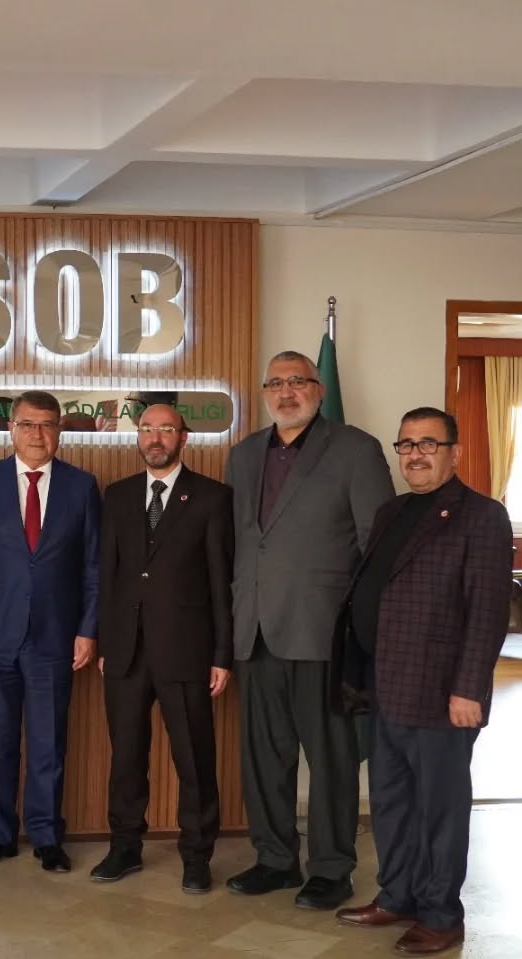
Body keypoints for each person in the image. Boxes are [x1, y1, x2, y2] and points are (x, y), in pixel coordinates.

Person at [334, 408, 511, 956]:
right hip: (385, 684)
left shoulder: (482, 516)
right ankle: (399, 895)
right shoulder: (392, 511)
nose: (415, 454)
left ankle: (440, 914)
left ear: (454, 452)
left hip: (441, 694)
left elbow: (487, 611)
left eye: (428, 443)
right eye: (406, 444)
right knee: (391, 801)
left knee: (439, 809)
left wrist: (469, 689)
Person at [224, 350, 393, 910]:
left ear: (318, 390)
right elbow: (243, 543)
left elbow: (377, 545)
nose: (286, 391)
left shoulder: (355, 449)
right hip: (254, 630)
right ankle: (274, 859)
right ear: (264, 392)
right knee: (264, 758)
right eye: (276, 382)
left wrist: (361, 632)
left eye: (298, 381)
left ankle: (331, 868)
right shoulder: (243, 454)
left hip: (323, 633)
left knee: (332, 760)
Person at [93, 403, 233, 893]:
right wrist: (106, 640)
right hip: (126, 651)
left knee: (194, 759)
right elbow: (108, 576)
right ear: (138, 435)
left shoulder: (213, 497)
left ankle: (196, 855)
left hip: (187, 651)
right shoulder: (117, 495)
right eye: (147, 429)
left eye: (166, 429)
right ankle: (124, 847)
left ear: (183, 438)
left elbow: (221, 582)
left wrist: (221, 654)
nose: (155, 437)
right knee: (126, 758)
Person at [0, 390, 99, 873]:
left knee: (48, 743)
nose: (38, 435)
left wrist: (87, 629)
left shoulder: (82, 486)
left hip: (55, 637)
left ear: (59, 431)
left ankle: (46, 836)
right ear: (11, 429)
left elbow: (93, 567)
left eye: (48, 425)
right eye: (28, 425)